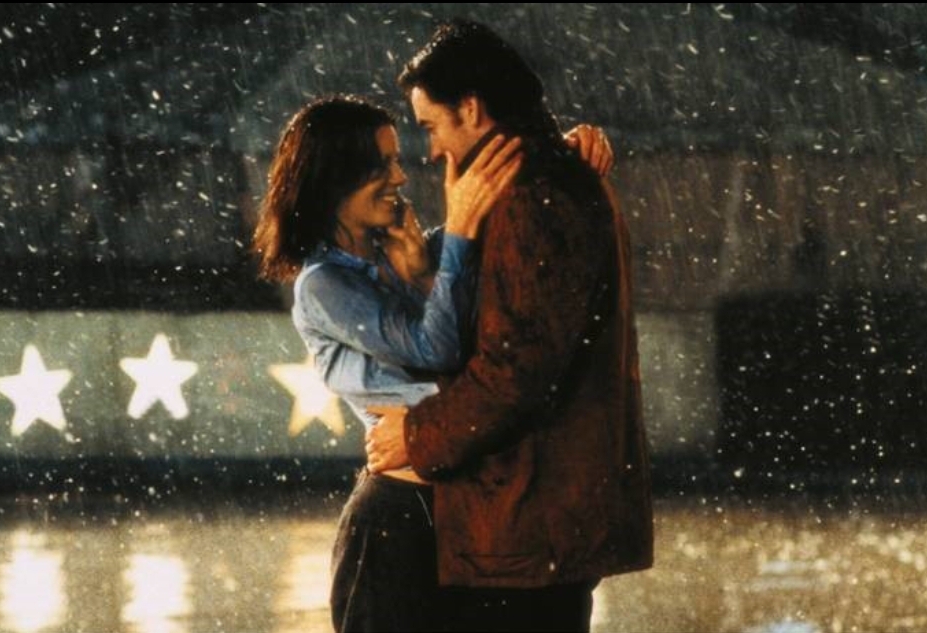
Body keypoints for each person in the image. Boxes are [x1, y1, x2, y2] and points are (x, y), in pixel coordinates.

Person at [253, 95, 611, 632]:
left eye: (396, 160)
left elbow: (495, 213)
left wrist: (562, 154)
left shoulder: (405, 250)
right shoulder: (324, 286)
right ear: (333, 179)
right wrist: (456, 235)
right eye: (381, 165)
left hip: (475, 506)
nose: (400, 177)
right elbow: (436, 349)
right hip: (400, 512)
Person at [365, 19, 653, 633]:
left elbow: (518, 371)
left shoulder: (533, 198)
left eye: (431, 126)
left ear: (471, 108)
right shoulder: (549, 181)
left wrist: (415, 436)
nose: (431, 151)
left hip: (526, 527)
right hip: (535, 523)